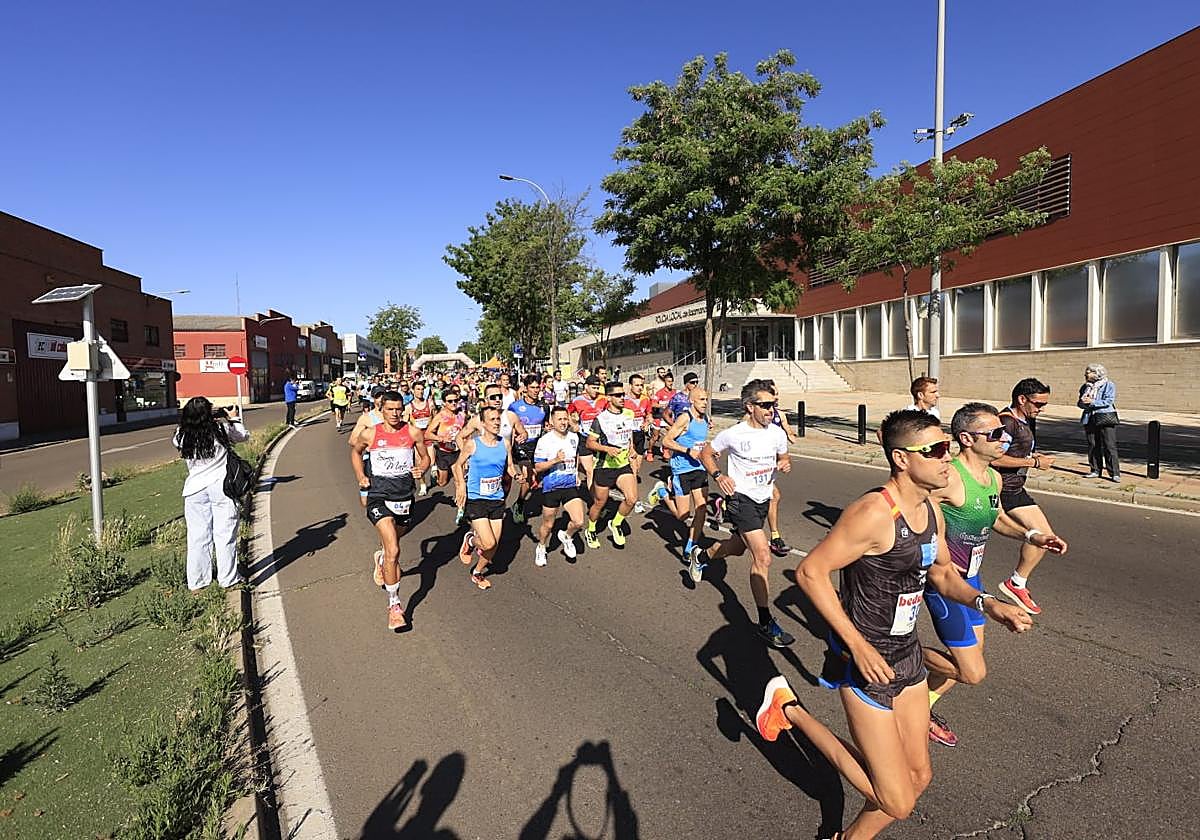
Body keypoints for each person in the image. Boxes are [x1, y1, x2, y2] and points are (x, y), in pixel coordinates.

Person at [756, 410, 1033, 840]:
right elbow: (812, 572)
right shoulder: (873, 514)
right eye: (937, 450)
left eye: (947, 447)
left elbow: (941, 574)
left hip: (908, 656)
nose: (948, 459)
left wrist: (987, 602)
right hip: (865, 665)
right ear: (902, 459)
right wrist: (857, 645)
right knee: (898, 802)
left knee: (918, 778)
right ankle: (788, 708)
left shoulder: (930, 511)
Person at [922, 403, 1068, 747]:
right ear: (967, 439)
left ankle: (921, 707)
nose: (1004, 438)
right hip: (945, 582)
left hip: (972, 578)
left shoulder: (994, 476)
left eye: (1003, 432)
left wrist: (1034, 536)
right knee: (970, 671)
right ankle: (889, 658)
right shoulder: (948, 477)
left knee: (970, 657)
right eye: (995, 434)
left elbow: (997, 517)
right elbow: (912, 511)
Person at [690, 381, 793, 647]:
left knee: (736, 548)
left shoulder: (777, 433)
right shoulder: (734, 434)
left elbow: (784, 456)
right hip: (740, 500)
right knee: (762, 556)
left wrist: (784, 463)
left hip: (761, 500)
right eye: (766, 405)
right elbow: (707, 453)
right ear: (750, 406)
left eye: (774, 405)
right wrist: (718, 475)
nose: (772, 410)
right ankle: (765, 621)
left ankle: (702, 555)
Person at [351, 391, 429, 631]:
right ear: (381, 409)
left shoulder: (413, 432)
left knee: (394, 540)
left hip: (404, 496)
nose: (395, 414)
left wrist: (421, 469)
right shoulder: (371, 433)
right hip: (379, 496)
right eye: (390, 409)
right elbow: (355, 452)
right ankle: (395, 606)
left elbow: (425, 458)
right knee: (394, 548)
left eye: (398, 409)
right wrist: (361, 476)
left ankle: (382, 558)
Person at [991, 378, 1058, 615]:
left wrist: (1032, 454)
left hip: (1016, 489)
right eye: (1038, 404)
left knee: (1046, 538)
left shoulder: (1024, 420)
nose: (1041, 409)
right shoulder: (1006, 423)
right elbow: (994, 457)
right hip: (1002, 489)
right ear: (1022, 399)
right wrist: (1034, 462)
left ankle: (1016, 583)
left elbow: (1016, 450)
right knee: (1041, 537)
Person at [175, 398, 250, 591]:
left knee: (198, 537)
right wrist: (233, 418)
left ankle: (198, 581)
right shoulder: (219, 431)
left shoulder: (180, 435)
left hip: (194, 489)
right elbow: (242, 436)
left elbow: (179, 439)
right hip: (221, 487)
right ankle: (228, 578)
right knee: (225, 534)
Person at [453, 405, 518, 590]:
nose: (497, 422)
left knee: (494, 545)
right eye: (492, 419)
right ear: (482, 423)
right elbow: (457, 466)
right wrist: (461, 487)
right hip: (476, 498)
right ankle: (471, 540)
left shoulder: (504, 443)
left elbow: (510, 467)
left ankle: (478, 572)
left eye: (498, 419)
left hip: (496, 498)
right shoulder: (473, 444)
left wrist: (517, 476)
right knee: (487, 542)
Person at [648, 387, 711, 559]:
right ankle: (662, 491)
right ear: (692, 400)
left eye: (706, 399)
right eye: (701, 400)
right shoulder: (685, 418)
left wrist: (709, 451)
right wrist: (686, 450)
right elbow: (667, 441)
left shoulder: (705, 418)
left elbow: (699, 442)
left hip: (699, 468)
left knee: (702, 508)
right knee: (683, 516)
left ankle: (690, 544)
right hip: (682, 469)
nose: (705, 403)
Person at [585, 381, 640, 549]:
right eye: (617, 395)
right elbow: (589, 443)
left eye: (622, 394)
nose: (622, 397)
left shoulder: (629, 414)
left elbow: (629, 435)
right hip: (604, 466)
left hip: (623, 465)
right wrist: (606, 448)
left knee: (631, 499)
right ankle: (591, 529)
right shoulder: (600, 419)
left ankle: (616, 524)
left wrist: (632, 449)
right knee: (600, 503)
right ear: (608, 398)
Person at [533, 406, 588, 565]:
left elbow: (575, 455)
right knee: (548, 525)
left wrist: (577, 473)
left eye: (566, 419)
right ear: (552, 421)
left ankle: (566, 536)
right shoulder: (545, 440)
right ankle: (541, 547)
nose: (563, 422)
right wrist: (555, 460)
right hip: (552, 487)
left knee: (578, 522)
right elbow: (537, 467)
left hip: (570, 485)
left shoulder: (574, 437)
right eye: (560, 419)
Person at [424, 389, 467, 525]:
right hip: (443, 453)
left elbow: (467, 432)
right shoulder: (440, 416)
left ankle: (461, 510)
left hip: (457, 453)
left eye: (456, 400)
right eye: (450, 401)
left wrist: (467, 450)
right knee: (443, 483)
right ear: (444, 403)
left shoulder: (462, 415)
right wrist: (441, 438)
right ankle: (435, 470)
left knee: (460, 481)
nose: (454, 403)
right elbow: (427, 434)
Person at [508, 375, 547, 524]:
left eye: (538, 387)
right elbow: (509, 426)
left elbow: (546, 424)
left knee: (533, 479)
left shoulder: (544, 406)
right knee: (528, 473)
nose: (536, 390)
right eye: (533, 387)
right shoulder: (515, 407)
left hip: (537, 446)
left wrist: (547, 428)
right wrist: (509, 445)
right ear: (525, 388)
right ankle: (520, 505)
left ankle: (519, 501)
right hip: (520, 447)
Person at [1077, 363, 1120, 481]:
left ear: (1098, 373)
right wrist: (1082, 402)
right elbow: (1079, 403)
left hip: (1105, 418)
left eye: (1089, 371)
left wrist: (1092, 402)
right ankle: (1095, 470)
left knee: (1109, 445)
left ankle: (1114, 473)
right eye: (1086, 371)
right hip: (1089, 417)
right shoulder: (1085, 387)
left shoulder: (1109, 385)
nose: (1086, 373)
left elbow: (1108, 401)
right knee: (1093, 445)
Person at [569, 375, 606, 488]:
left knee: (600, 471)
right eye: (593, 387)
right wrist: (573, 424)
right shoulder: (577, 400)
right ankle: (593, 499)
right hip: (584, 437)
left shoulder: (603, 399)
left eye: (597, 388)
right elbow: (566, 413)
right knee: (590, 471)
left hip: (600, 439)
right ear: (586, 387)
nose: (596, 390)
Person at [624, 373, 654, 510]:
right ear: (630, 386)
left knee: (636, 468)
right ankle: (635, 500)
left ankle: (627, 488)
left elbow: (649, 415)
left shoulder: (646, 399)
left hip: (640, 435)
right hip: (627, 437)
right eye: (636, 385)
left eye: (641, 385)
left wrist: (648, 422)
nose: (640, 388)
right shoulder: (624, 401)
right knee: (633, 470)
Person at [405, 380, 435, 494]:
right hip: (417, 438)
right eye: (418, 389)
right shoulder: (409, 406)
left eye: (422, 389)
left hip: (427, 435)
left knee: (431, 461)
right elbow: (405, 422)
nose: (420, 391)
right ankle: (423, 485)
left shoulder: (429, 403)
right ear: (413, 391)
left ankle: (433, 472)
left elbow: (434, 417)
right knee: (420, 463)